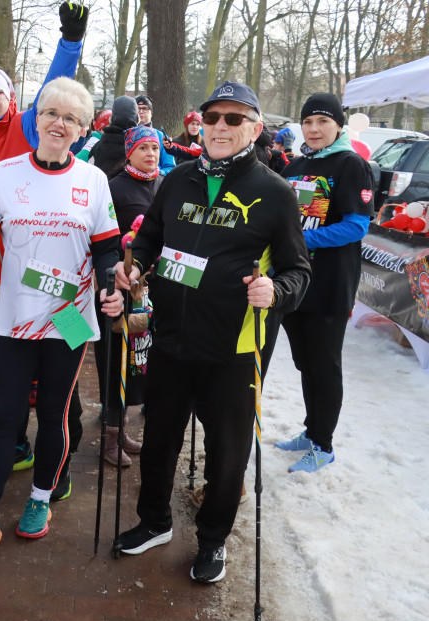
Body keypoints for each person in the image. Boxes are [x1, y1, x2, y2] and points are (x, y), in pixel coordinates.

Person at [112, 80, 311, 583]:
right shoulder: (177, 179)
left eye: (234, 118)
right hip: (171, 338)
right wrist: (132, 266)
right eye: (212, 117)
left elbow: (298, 271)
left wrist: (275, 290)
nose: (220, 127)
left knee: (226, 454)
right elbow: (150, 238)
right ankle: (154, 521)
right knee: (159, 440)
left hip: (233, 347)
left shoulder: (275, 191)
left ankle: (212, 540)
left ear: (255, 128)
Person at [0, 77, 125, 561]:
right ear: (35, 119)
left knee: (56, 413)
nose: (59, 124)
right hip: (16, 314)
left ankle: (40, 499)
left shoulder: (93, 180)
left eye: (71, 118)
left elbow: (106, 248)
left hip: (70, 316)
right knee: (7, 418)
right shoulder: (3, 172)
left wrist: (110, 286)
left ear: (82, 130)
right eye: (51, 114)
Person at [0, 2, 88, 487]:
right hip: (1, 282)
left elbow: (55, 87)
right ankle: (14, 444)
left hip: (62, 288)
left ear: (9, 98)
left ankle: (61, 466)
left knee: (63, 384)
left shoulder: (28, 126)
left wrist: (70, 41)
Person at [273, 92, 375, 473]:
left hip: (330, 283)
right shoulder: (297, 165)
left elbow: (356, 226)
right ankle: (311, 430)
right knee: (305, 362)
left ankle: (324, 444)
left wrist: (301, 240)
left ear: (338, 125)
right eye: (308, 122)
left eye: (323, 122)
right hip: (294, 282)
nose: (314, 129)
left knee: (325, 364)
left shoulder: (351, 164)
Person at [95, 125, 164, 466]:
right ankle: (109, 436)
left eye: (155, 147)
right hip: (120, 286)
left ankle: (121, 428)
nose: (150, 154)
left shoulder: (164, 184)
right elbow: (103, 238)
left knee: (139, 360)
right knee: (114, 360)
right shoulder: (114, 187)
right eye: (143, 148)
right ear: (129, 152)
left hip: (152, 289)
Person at [86, 96, 139, 175]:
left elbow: (90, 174)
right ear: (137, 119)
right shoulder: (141, 147)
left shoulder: (97, 147)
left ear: (111, 118)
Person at [134, 95, 176, 174]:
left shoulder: (162, 137)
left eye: (145, 108)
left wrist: (155, 174)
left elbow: (170, 167)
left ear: (151, 113)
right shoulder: (128, 136)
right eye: (137, 109)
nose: (141, 112)